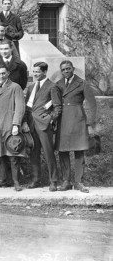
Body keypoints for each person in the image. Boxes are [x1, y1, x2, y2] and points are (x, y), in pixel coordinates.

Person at [55, 60, 97, 193]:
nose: (66, 71)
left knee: (79, 152)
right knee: (63, 151)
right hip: (62, 120)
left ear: (73, 68)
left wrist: (90, 123)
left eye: (68, 69)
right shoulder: (57, 85)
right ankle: (66, 181)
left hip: (78, 119)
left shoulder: (82, 83)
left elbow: (91, 104)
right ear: (61, 71)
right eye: (63, 70)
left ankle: (79, 182)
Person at [0, 65, 26, 192]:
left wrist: (16, 124)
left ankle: (16, 182)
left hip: (9, 125)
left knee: (13, 154)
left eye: (3, 73)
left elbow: (20, 107)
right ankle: (2, 179)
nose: (1, 76)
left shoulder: (15, 87)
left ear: (8, 73)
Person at [23, 62, 61, 191]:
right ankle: (35, 180)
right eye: (33, 72)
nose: (35, 74)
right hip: (31, 125)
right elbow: (27, 107)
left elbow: (57, 108)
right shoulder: (30, 87)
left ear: (45, 72)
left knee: (49, 153)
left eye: (37, 72)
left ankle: (53, 181)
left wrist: (49, 119)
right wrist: (24, 122)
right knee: (34, 154)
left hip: (44, 125)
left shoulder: (52, 86)